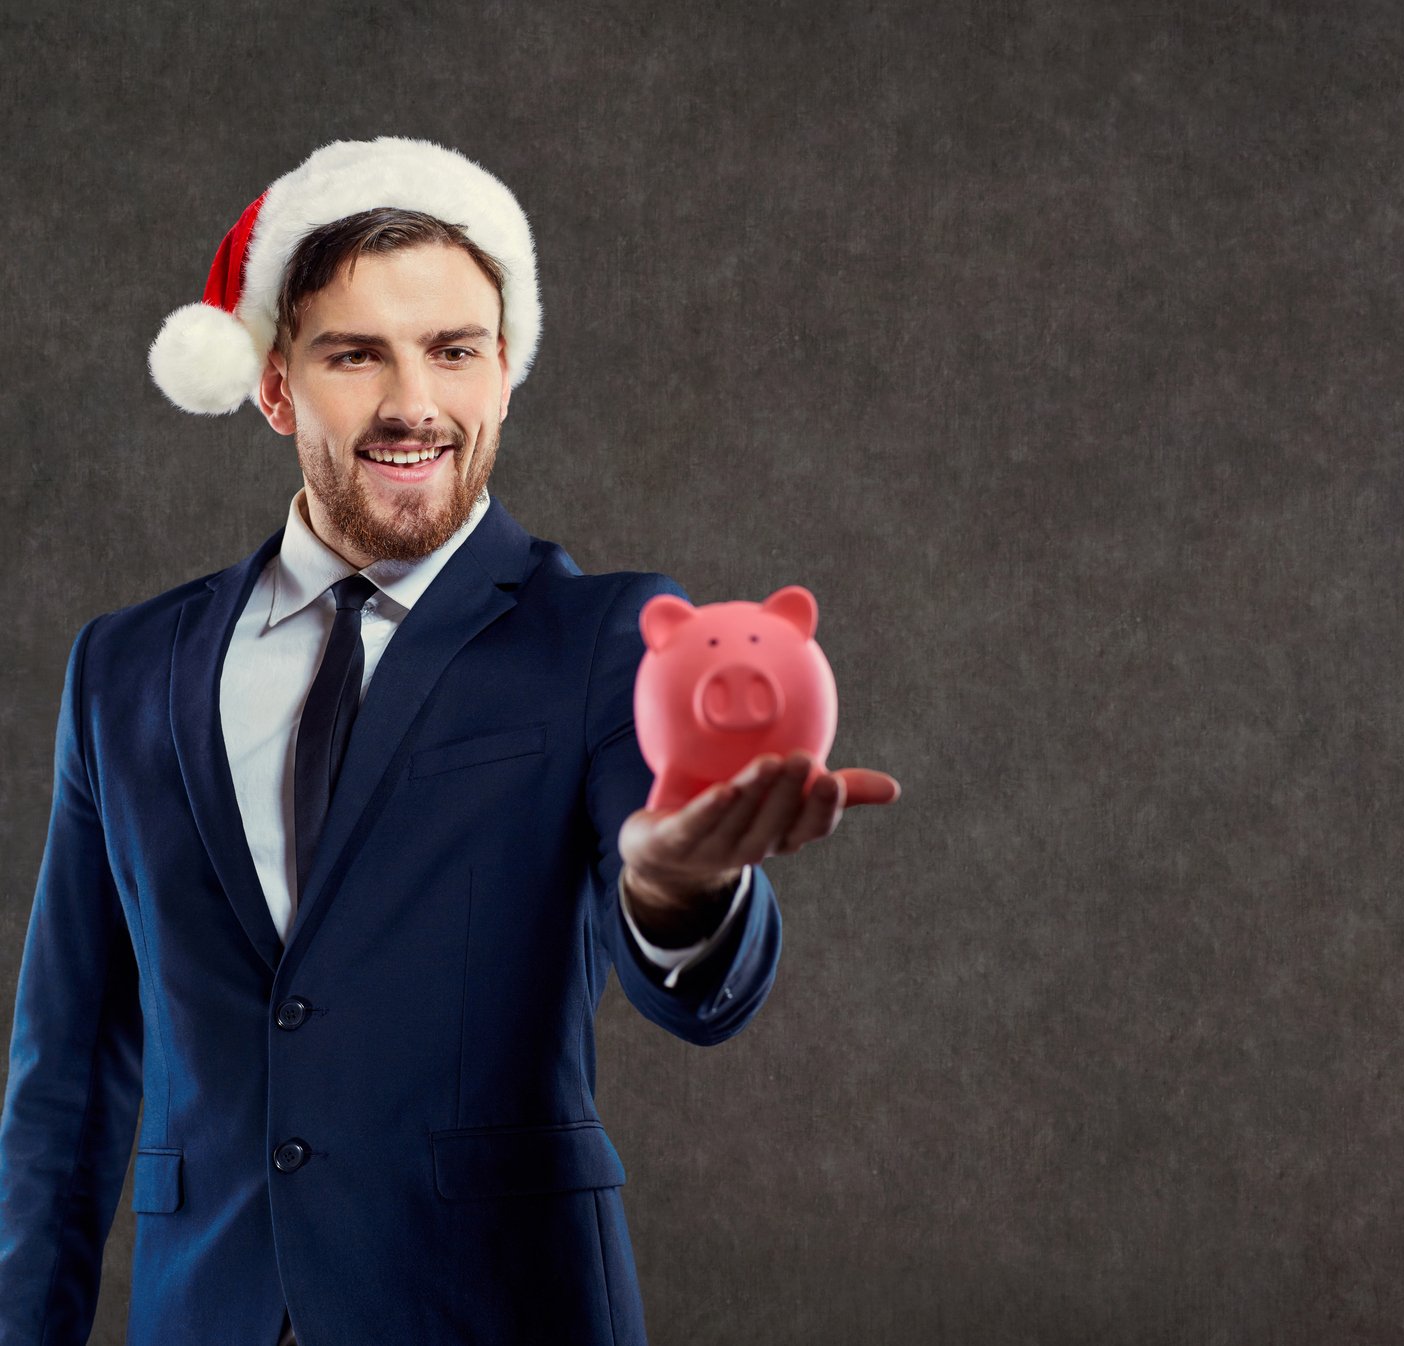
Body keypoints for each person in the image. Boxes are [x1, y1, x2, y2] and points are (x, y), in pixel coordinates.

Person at [0, 136, 899, 1345]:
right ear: (274, 385)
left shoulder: (608, 636)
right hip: (207, 1312)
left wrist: (679, 887)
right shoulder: (124, 668)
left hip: (498, 1307)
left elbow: (697, 984)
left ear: (507, 370)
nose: (413, 402)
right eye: (356, 353)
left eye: (455, 350)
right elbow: (66, 1070)